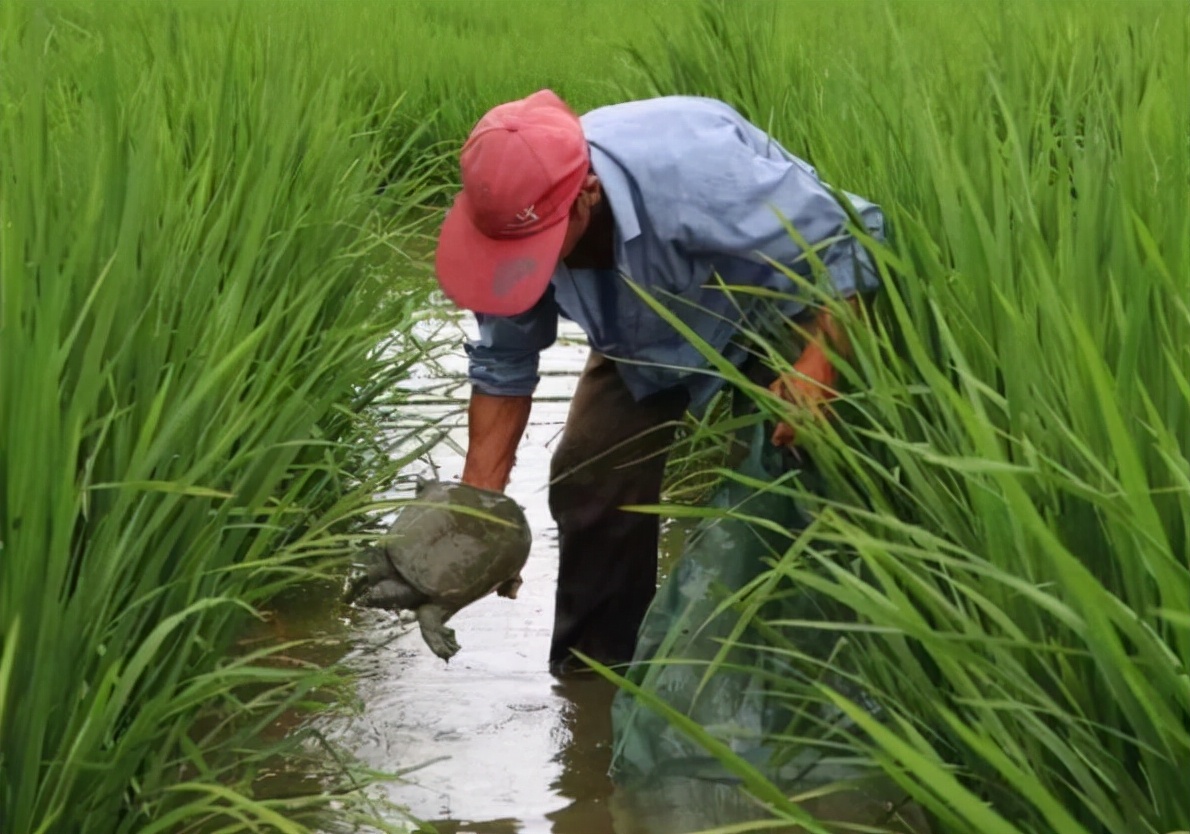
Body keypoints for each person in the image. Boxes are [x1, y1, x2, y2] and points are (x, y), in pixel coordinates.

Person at [432, 89, 885, 677]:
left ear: (584, 195)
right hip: (642, 333)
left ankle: (774, 677)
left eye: (533, 247)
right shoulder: (504, 222)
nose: (515, 262)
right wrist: (480, 509)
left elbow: (854, 233)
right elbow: (503, 365)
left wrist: (819, 363)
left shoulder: (698, 171)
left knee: (777, 482)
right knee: (590, 476)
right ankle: (595, 681)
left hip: (773, 306)